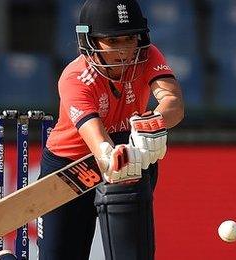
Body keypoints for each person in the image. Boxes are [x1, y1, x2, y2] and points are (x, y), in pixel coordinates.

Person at [37, 0, 184, 259]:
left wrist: (154, 123)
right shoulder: (74, 79)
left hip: (130, 154)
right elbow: (100, 146)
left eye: (130, 38)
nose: (125, 50)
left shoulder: (147, 55)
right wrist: (112, 156)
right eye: (113, 42)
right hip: (73, 165)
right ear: (89, 42)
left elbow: (173, 102)